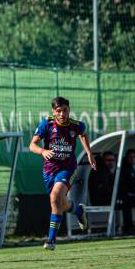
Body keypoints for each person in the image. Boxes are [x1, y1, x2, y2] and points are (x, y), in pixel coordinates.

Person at [30, 96, 96, 250]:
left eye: (65, 110)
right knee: (59, 202)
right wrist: (43, 151)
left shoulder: (76, 125)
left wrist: (89, 153)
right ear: (53, 112)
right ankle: (78, 210)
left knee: (55, 197)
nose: (62, 114)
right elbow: (32, 145)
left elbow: (83, 134)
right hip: (49, 170)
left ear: (69, 110)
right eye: (58, 111)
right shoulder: (46, 124)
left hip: (68, 168)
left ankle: (51, 240)